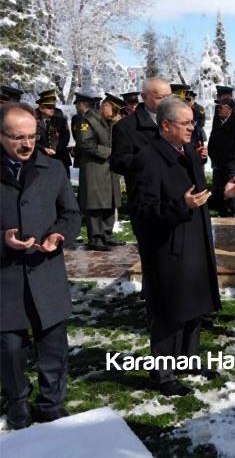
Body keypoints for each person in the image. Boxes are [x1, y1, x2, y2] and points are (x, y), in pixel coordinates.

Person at [130, 96, 235, 396]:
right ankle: (163, 374)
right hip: (168, 247)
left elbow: (200, 195)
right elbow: (142, 212)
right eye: (186, 123)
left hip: (196, 241)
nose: (193, 128)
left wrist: (222, 194)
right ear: (165, 126)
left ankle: (188, 361)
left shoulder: (189, 152)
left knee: (194, 307)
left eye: (193, 122)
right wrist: (181, 205)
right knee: (169, 312)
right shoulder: (148, 159)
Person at [0, 103, 81, 429]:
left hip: (46, 273)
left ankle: (52, 403)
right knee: (11, 349)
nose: (26, 144)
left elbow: (71, 214)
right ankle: (17, 401)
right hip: (5, 280)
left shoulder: (53, 169)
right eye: (18, 137)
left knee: (53, 346)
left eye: (32, 136)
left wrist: (59, 234)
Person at [74, 94, 124, 251]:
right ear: (105, 105)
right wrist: (108, 151)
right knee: (95, 203)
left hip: (109, 168)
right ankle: (96, 238)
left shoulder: (110, 122)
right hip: (94, 166)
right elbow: (85, 143)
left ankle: (107, 235)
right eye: (113, 111)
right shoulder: (87, 120)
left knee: (110, 201)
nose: (115, 114)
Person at [111, 77, 172, 197]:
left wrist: (196, 155)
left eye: (169, 97)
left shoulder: (178, 119)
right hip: (147, 195)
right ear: (144, 97)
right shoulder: (126, 126)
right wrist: (146, 160)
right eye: (160, 97)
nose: (166, 102)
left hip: (178, 193)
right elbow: (118, 162)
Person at [208, 97, 235, 217]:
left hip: (231, 163)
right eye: (217, 107)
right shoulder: (217, 120)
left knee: (232, 187)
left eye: (220, 107)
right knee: (218, 186)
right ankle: (221, 209)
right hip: (217, 162)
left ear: (229, 109)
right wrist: (211, 153)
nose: (217, 109)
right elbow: (212, 138)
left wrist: (229, 157)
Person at [34, 89, 71, 173]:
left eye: (53, 107)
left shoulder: (61, 121)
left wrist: (55, 149)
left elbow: (66, 138)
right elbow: (31, 140)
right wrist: (44, 149)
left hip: (60, 158)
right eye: (49, 107)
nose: (52, 109)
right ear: (41, 108)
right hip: (41, 159)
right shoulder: (34, 122)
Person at [70, 93, 94, 169]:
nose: (76, 107)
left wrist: (76, 150)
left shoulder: (85, 119)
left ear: (81, 104)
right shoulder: (93, 116)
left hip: (86, 156)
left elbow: (84, 139)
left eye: (76, 105)